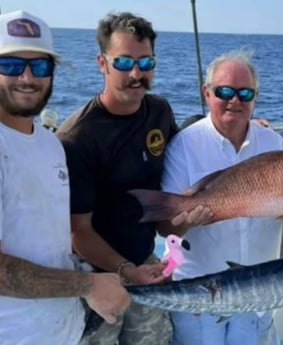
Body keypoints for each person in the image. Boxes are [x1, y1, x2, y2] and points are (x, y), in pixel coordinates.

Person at [0, 10, 130, 345]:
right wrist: (87, 285)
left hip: (63, 332)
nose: (27, 77)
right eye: (10, 65)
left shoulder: (49, 143)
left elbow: (48, 241)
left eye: (39, 66)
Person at [158, 48, 283, 345]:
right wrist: (188, 220)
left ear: (256, 96)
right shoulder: (183, 146)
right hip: (202, 291)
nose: (235, 100)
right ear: (207, 93)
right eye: (225, 91)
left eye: (245, 93)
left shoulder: (273, 143)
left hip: (259, 288)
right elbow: (166, 228)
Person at [55, 12, 179, 345]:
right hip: (94, 279)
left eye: (145, 62)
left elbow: (187, 155)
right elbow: (77, 233)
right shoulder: (77, 137)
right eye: (123, 62)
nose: (136, 74)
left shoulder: (160, 112)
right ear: (102, 63)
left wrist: (248, 127)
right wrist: (126, 272)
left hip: (146, 265)